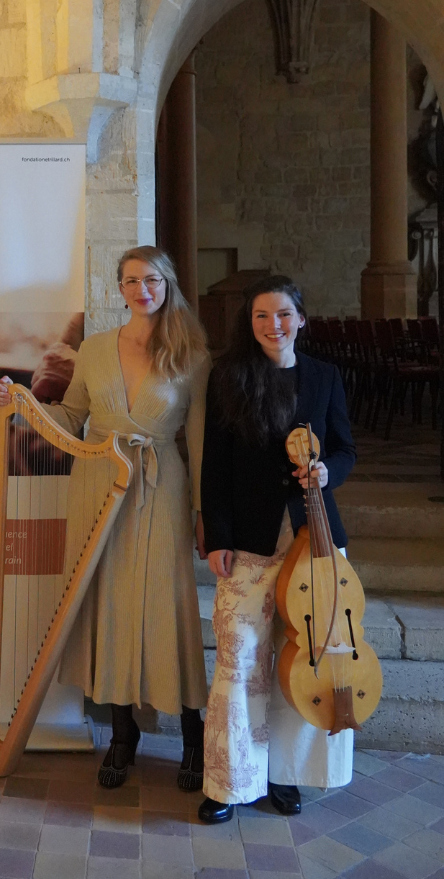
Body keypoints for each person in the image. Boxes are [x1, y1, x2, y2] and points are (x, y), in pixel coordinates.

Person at [0, 245, 210, 790]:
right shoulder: (92, 348)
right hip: (97, 484)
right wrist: (19, 401)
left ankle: (192, 734)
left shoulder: (193, 353)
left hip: (161, 484)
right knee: (108, 604)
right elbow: (70, 417)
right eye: (132, 281)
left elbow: (200, 441)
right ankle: (121, 734)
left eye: (153, 280)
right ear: (120, 289)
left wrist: (204, 512)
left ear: (169, 284)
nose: (143, 290)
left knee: (168, 606)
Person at [198, 275, 356, 824]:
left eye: (283, 314)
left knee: (306, 661)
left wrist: (327, 471)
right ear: (251, 323)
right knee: (239, 657)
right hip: (248, 538)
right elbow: (213, 465)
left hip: (313, 537)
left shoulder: (325, 377)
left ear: (301, 319)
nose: (273, 325)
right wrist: (215, 535)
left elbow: (344, 447)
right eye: (262, 316)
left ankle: (285, 776)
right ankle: (230, 781)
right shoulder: (229, 376)